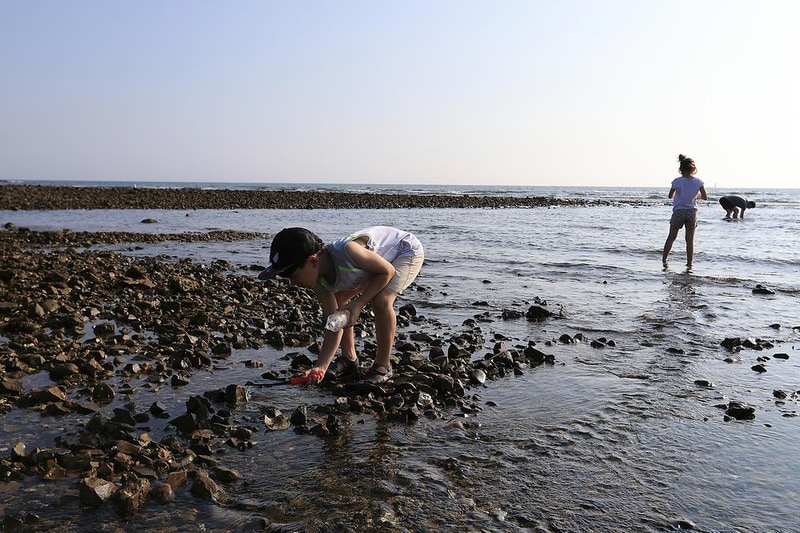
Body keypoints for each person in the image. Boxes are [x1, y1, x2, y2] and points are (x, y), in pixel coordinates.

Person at [259, 226, 424, 385]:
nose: (292, 283)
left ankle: (383, 365)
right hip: (372, 267)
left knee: (381, 300)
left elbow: (387, 271)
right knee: (340, 302)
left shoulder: (349, 251)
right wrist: (320, 367)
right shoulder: (320, 283)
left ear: (313, 261)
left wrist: (358, 304)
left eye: (292, 276)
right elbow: (333, 324)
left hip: (404, 251)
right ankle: (349, 358)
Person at [661, 154, 708, 269]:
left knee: (671, 237)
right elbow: (705, 197)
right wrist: (697, 195)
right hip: (692, 212)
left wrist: (679, 194)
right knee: (690, 240)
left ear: (680, 169)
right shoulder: (698, 182)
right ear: (694, 169)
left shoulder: (677, 181)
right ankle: (689, 263)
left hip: (678, 211)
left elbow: (670, 195)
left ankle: (664, 259)